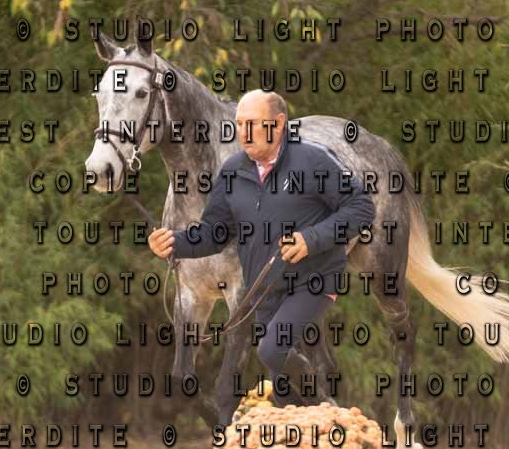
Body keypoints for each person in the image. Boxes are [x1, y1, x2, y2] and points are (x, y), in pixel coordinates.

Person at [148, 89, 376, 406]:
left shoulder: (312, 161)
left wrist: (310, 240)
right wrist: (175, 243)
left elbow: (361, 208)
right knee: (283, 394)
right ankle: (317, 416)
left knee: (271, 348)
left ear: (278, 124)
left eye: (252, 124)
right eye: (239, 124)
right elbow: (215, 233)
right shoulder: (232, 172)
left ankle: (326, 405)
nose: (243, 133)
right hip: (264, 291)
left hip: (313, 280)